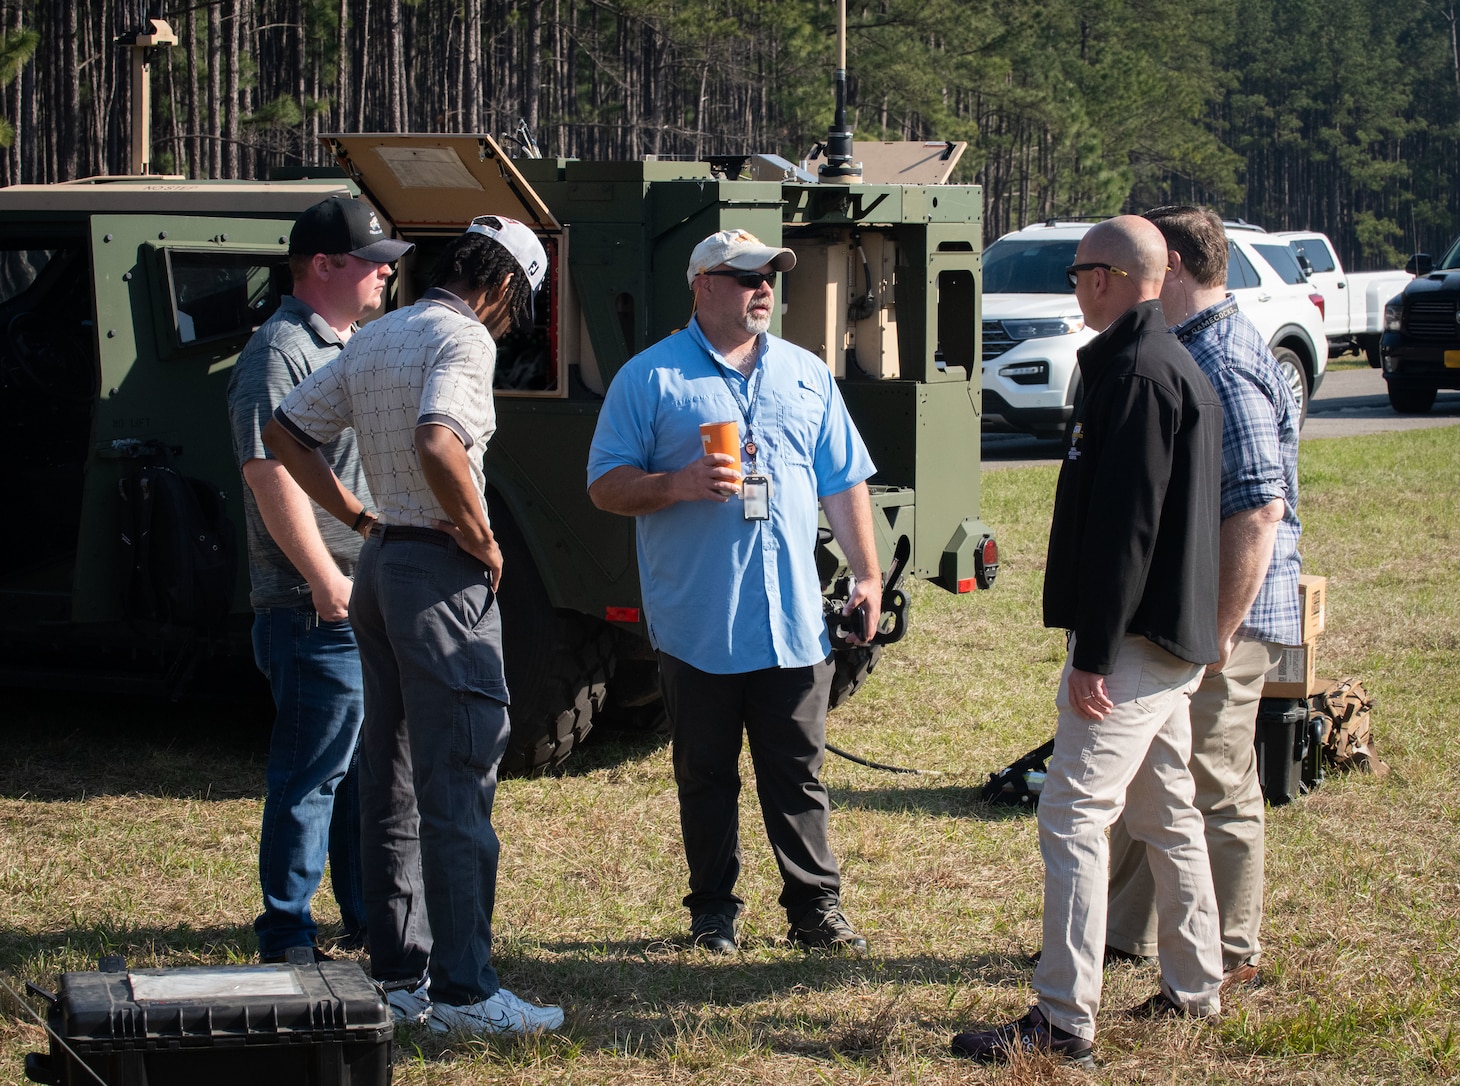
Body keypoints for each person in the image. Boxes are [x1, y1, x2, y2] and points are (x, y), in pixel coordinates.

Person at [261, 215, 564, 1036]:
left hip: (383, 562)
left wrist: (359, 517)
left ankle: (399, 976)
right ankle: (467, 991)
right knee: (459, 781)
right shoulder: (466, 340)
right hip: (437, 570)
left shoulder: (380, 330)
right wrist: (477, 532)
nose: (511, 322)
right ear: (501, 284)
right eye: (516, 306)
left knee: (388, 781)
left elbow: (285, 430)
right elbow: (441, 440)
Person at [951, 215, 1226, 1067]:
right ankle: (1196, 985)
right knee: (1164, 811)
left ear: (1107, 278)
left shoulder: (1137, 373)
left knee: (1072, 812)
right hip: (1171, 641)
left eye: (1077, 274)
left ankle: (1063, 1020)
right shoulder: (1166, 360)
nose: (1073, 287)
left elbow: (1126, 532)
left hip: (1135, 643)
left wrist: (1096, 654)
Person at [586, 228, 881, 955]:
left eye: (770, 275)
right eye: (746, 275)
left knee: (797, 773)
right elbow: (604, 485)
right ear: (703, 285)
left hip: (791, 621)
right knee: (706, 775)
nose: (763, 288)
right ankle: (712, 911)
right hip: (698, 622)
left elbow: (844, 480)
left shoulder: (807, 374)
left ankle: (816, 910)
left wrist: (867, 574)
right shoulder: (649, 379)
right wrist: (674, 484)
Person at [1105, 205, 1302, 993]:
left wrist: (1217, 630)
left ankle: (1232, 953)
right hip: (1188, 613)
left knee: (1215, 781)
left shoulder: (1222, 360)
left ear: (1175, 269)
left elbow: (1258, 507)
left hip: (1227, 615)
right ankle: (1123, 935)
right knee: (1151, 771)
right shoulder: (1192, 348)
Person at [226, 194, 412, 963]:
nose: (383, 274)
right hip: (313, 602)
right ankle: (288, 936)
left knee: (358, 770)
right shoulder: (279, 352)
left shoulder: (344, 345)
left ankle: (366, 919)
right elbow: (268, 475)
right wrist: (324, 580)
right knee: (311, 775)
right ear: (324, 265)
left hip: (351, 594)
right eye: (371, 261)